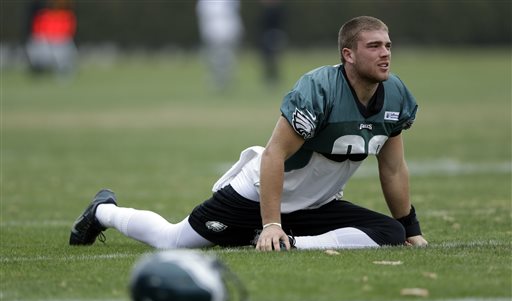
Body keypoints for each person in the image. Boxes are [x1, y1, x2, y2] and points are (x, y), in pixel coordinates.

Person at [70, 16, 428, 252]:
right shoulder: (320, 90)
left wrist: (410, 228)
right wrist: (271, 221)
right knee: (173, 241)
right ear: (348, 54)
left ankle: (289, 243)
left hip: (315, 203)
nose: (385, 54)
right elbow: (274, 155)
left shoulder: (395, 95)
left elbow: (393, 169)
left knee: (390, 234)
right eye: (375, 46)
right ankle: (103, 211)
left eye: (388, 46)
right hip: (259, 193)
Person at [196, 0, 244, 92]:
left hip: (227, 30)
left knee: (225, 57)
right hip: (212, 31)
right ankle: (219, 79)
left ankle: (224, 79)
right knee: (214, 58)